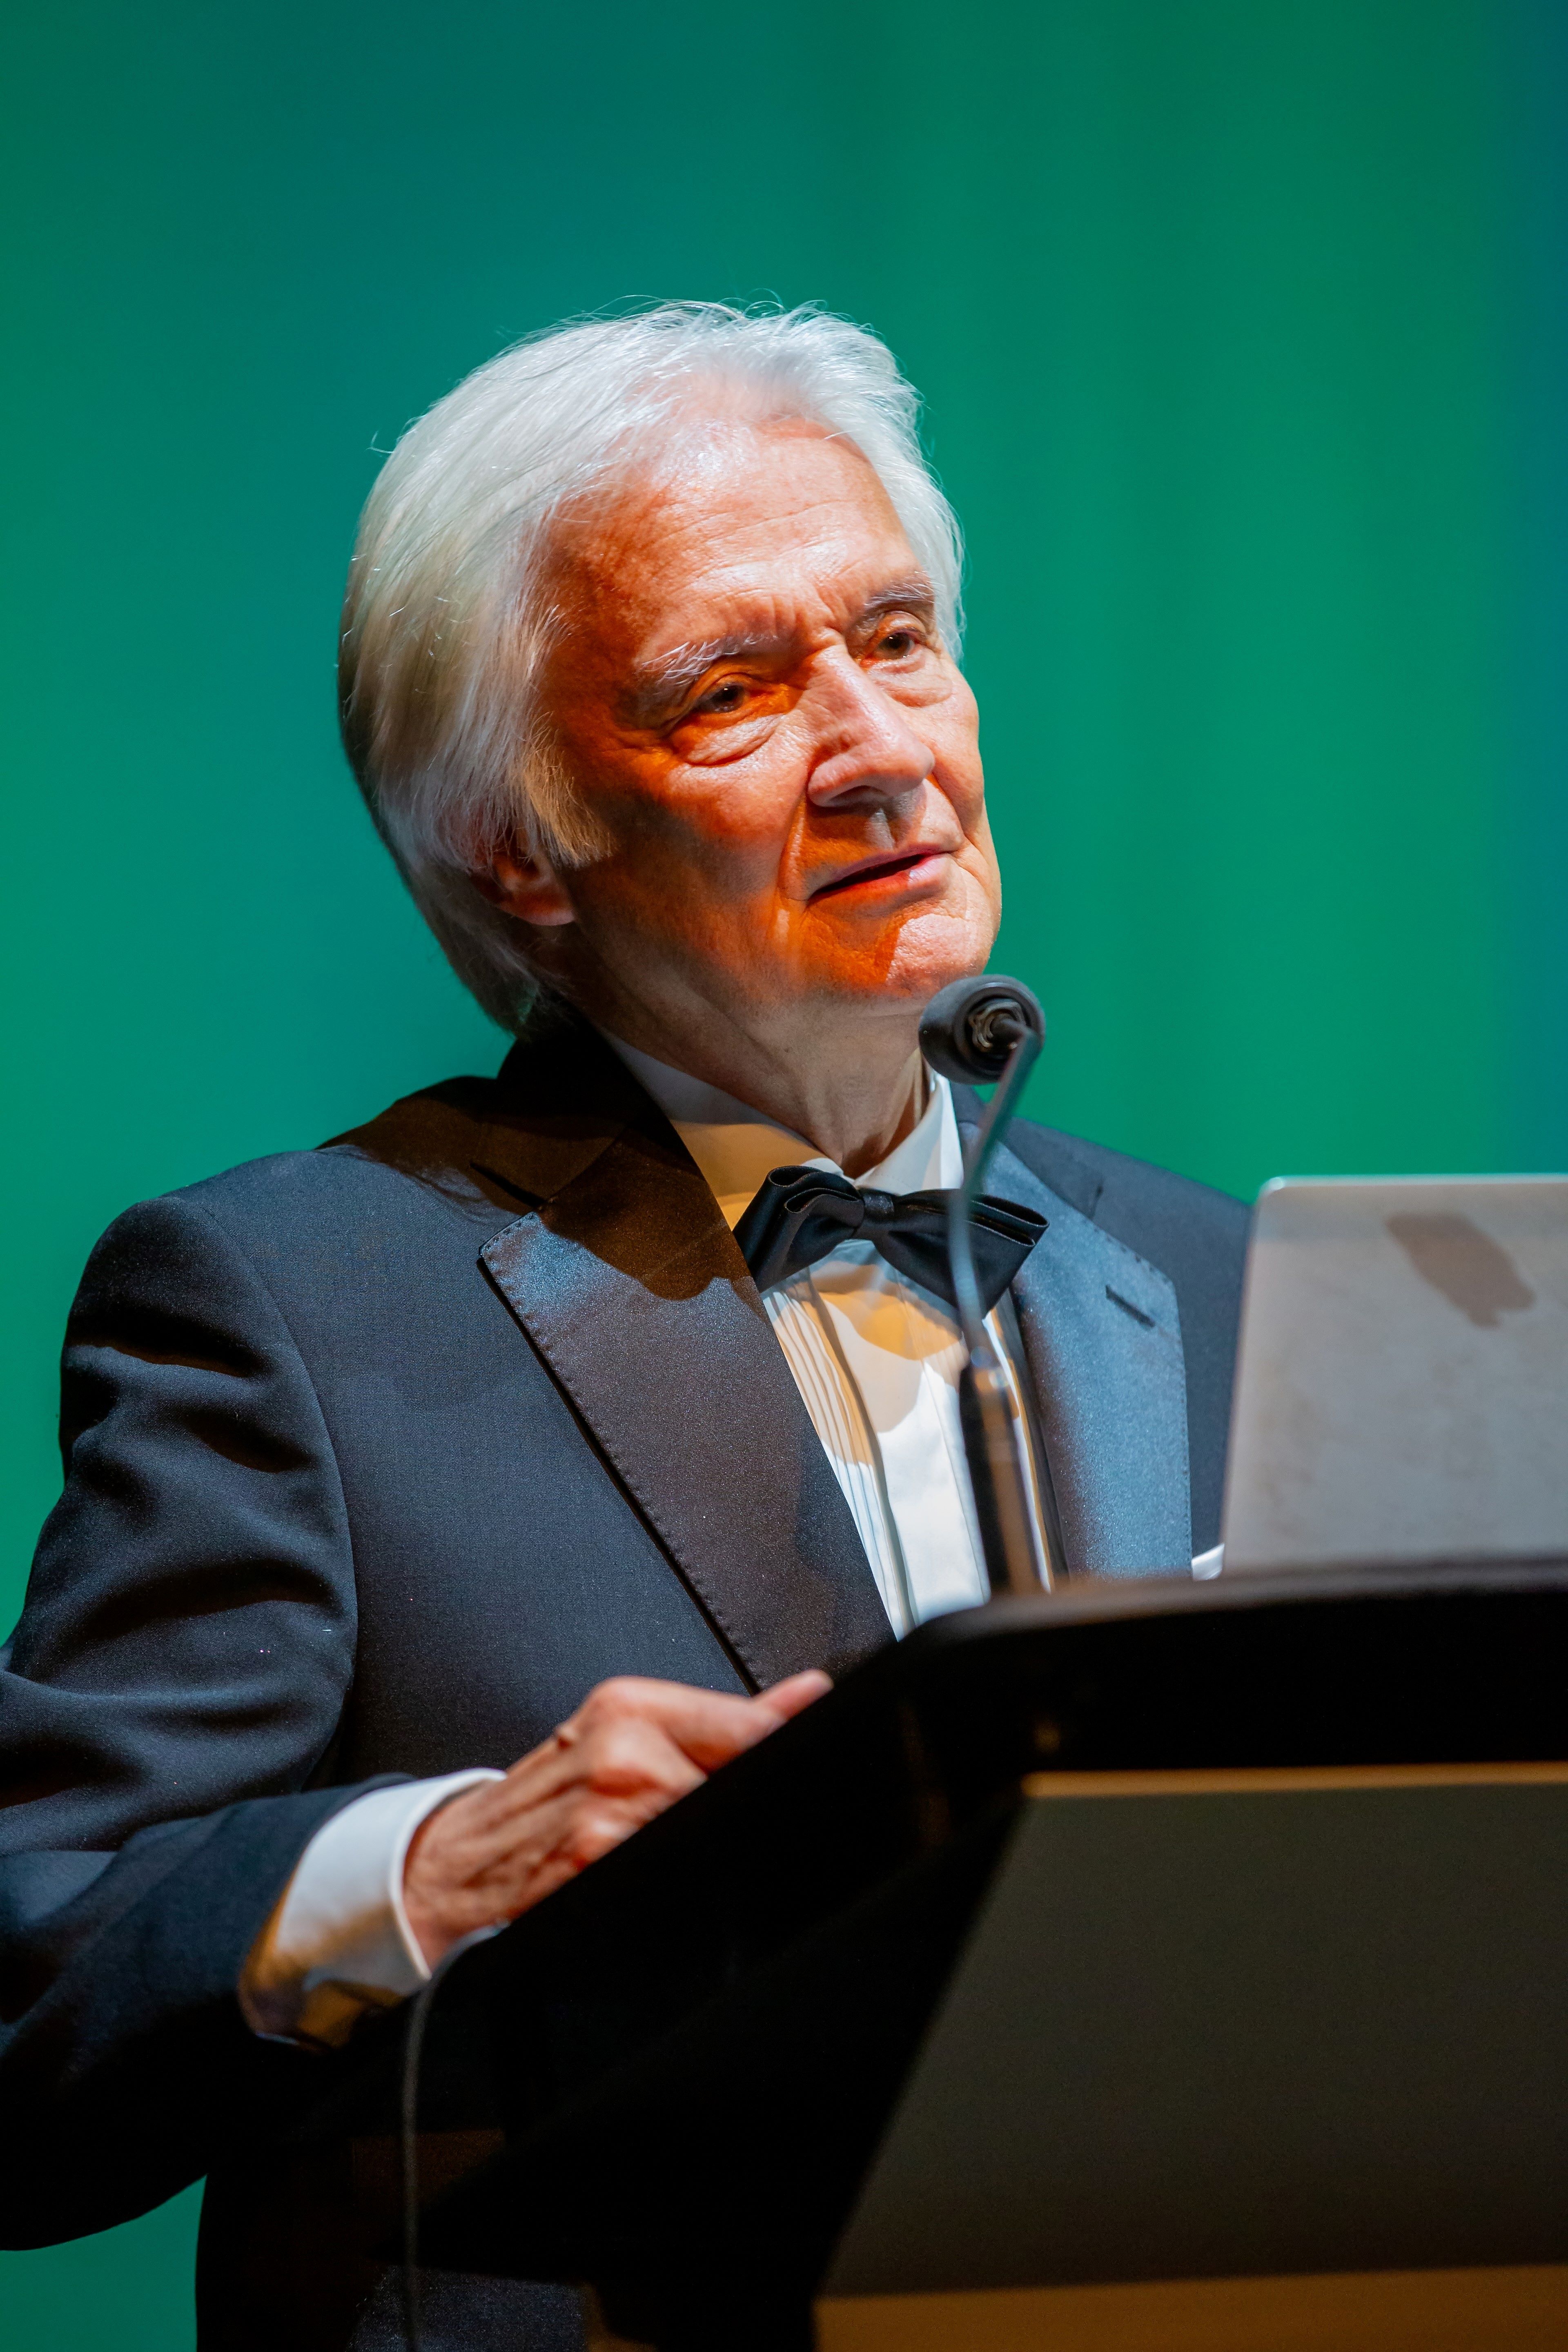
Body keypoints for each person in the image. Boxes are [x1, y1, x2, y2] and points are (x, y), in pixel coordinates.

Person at [0, 304, 1247, 2350]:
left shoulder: (1219, 1280)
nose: (880, 749)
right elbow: (33, 2001)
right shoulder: (293, 1304)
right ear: (523, 847)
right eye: (729, 692)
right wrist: (429, 1871)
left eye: (900, 639)